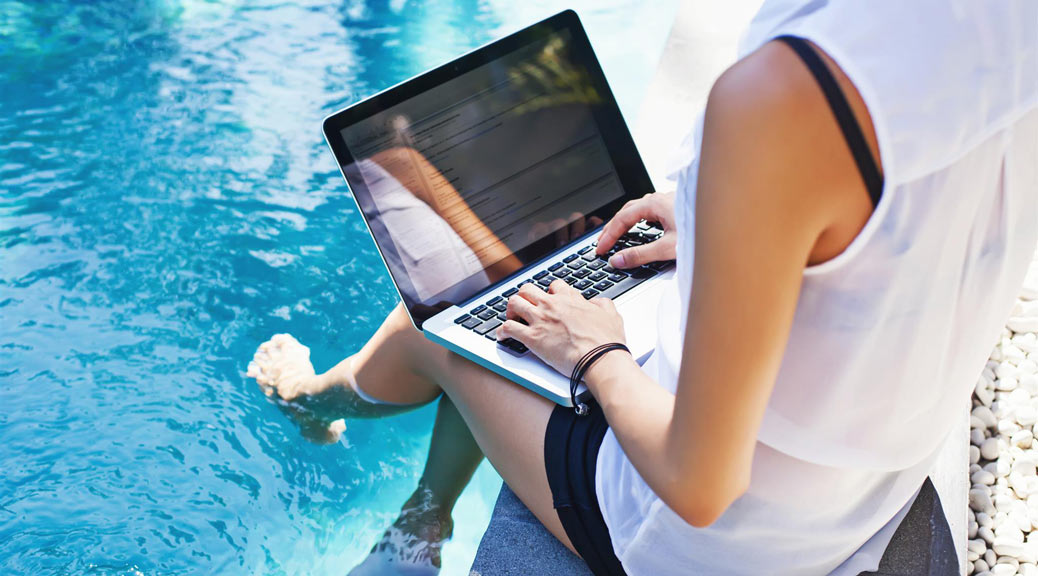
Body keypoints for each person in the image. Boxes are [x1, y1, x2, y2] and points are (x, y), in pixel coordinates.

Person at [248, 1, 1038, 574]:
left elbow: (700, 485)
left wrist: (595, 356)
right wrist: (747, 233)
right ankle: (422, 520)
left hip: (722, 543)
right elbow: (910, 234)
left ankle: (317, 406)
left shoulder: (783, 96)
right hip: (868, 482)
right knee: (505, 300)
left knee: (447, 320)